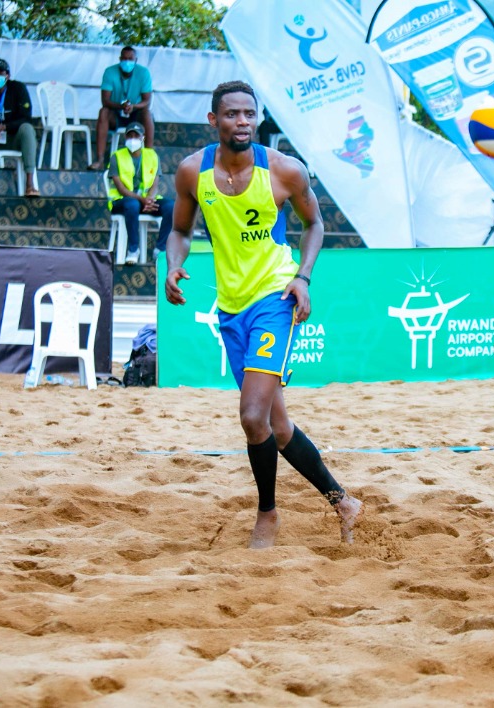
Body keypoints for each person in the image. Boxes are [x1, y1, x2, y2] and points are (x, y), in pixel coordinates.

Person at [164, 81, 362, 548]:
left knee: (253, 416)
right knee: (277, 427)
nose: (242, 122)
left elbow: (315, 225)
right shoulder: (192, 172)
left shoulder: (283, 170)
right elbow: (179, 230)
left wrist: (303, 277)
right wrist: (174, 265)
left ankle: (267, 516)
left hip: (274, 297)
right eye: (232, 114)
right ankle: (343, 502)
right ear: (213, 120)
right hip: (230, 306)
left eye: (249, 114)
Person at [106, 121, 173, 264]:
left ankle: (160, 249)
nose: (132, 139)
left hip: (145, 201)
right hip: (122, 201)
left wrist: (149, 199)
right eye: (129, 136)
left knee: (171, 206)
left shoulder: (152, 155)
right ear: (125, 138)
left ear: (143, 137)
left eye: (136, 136)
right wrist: (143, 200)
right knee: (132, 204)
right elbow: (121, 189)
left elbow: (155, 183)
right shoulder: (116, 156)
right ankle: (133, 249)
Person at [0, 58, 40, 197]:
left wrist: (4, 127)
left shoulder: (18, 88)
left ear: (8, 75)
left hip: (14, 136)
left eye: (0, 73)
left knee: (27, 129)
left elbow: (26, 117)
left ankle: (30, 184)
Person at [89, 47, 153, 170]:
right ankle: (100, 160)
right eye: (124, 59)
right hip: (116, 113)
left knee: (147, 114)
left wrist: (133, 106)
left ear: (136, 60)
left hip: (136, 115)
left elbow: (147, 101)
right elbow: (105, 100)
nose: (127, 62)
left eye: (130, 59)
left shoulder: (143, 73)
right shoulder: (110, 72)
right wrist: (121, 106)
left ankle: (149, 160)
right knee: (103, 112)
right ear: (119, 59)